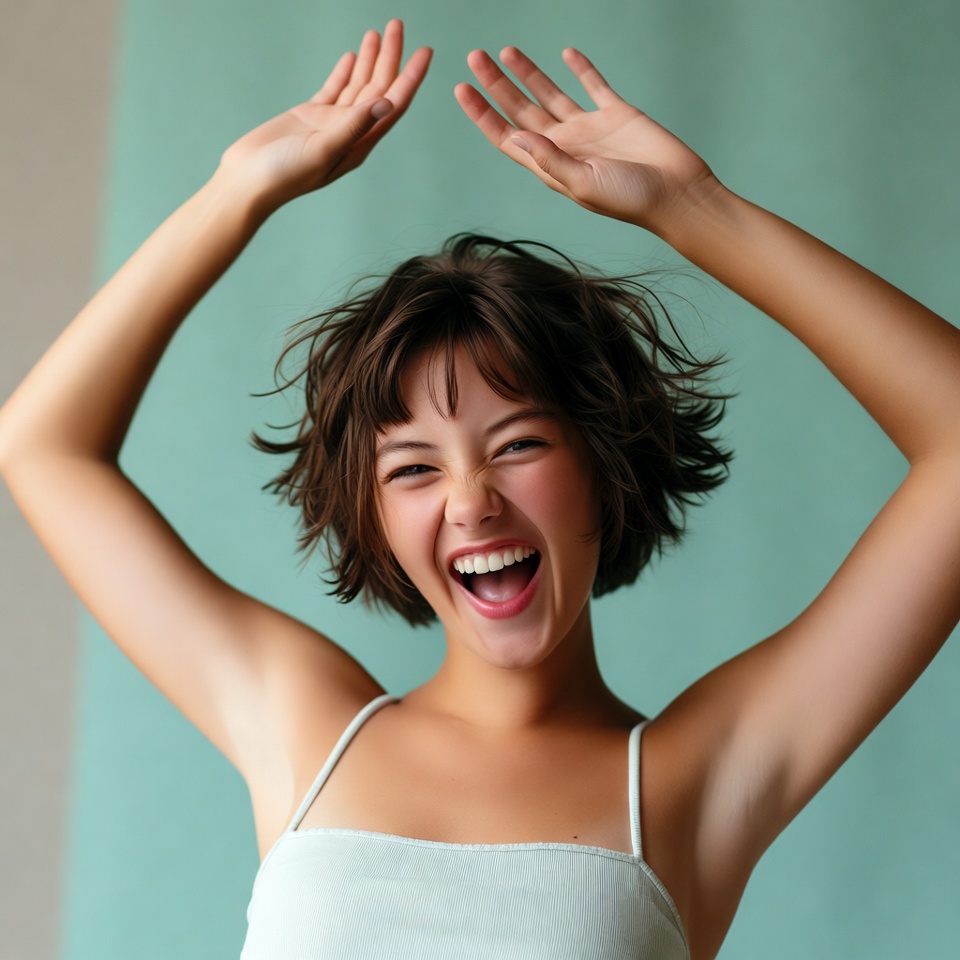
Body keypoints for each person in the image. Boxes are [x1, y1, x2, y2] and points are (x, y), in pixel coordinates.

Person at [1, 17, 958, 960]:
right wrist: (235, 195)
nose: (470, 501)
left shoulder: (691, 782)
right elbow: (42, 447)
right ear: (374, 518)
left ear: (603, 464)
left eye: (517, 444)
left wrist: (698, 210)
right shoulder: (304, 725)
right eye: (413, 468)